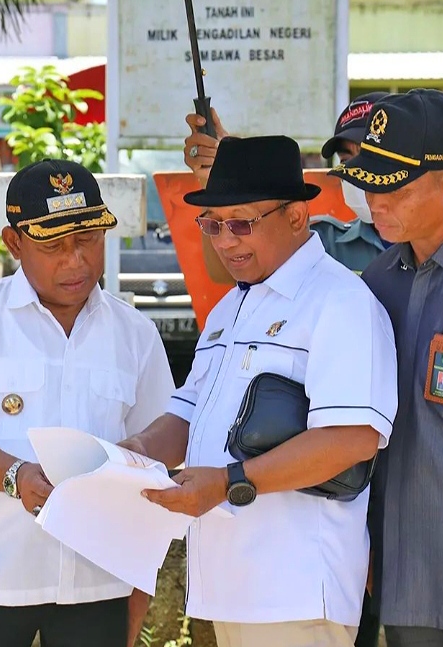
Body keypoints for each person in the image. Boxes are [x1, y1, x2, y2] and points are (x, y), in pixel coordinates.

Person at [120, 135, 398, 647]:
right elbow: (188, 413)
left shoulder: (339, 302)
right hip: (232, 583)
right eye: (213, 225)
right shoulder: (232, 307)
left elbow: (352, 438)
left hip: (295, 589)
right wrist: (131, 454)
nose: (225, 241)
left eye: (241, 223)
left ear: (296, 217)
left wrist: (228, 482)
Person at [0, 159, 175, 647]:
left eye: (88, 240)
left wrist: (137, 596)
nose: (76, 260)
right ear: (14, 243)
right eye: (53, 245)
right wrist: (16, 477)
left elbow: (158, 456)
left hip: (99, 586)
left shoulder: (135, 334)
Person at [330, 88, 443, 647]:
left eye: (394, 186)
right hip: (401, 587)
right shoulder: (377, 282)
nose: (375, 201)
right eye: (369, 180)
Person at [183, 94, 389, 275]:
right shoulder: (327, 241)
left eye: (370, 156)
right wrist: (222, 179)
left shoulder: (420, 246)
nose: (358, 171)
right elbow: (233, 269)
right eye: (346, 161)